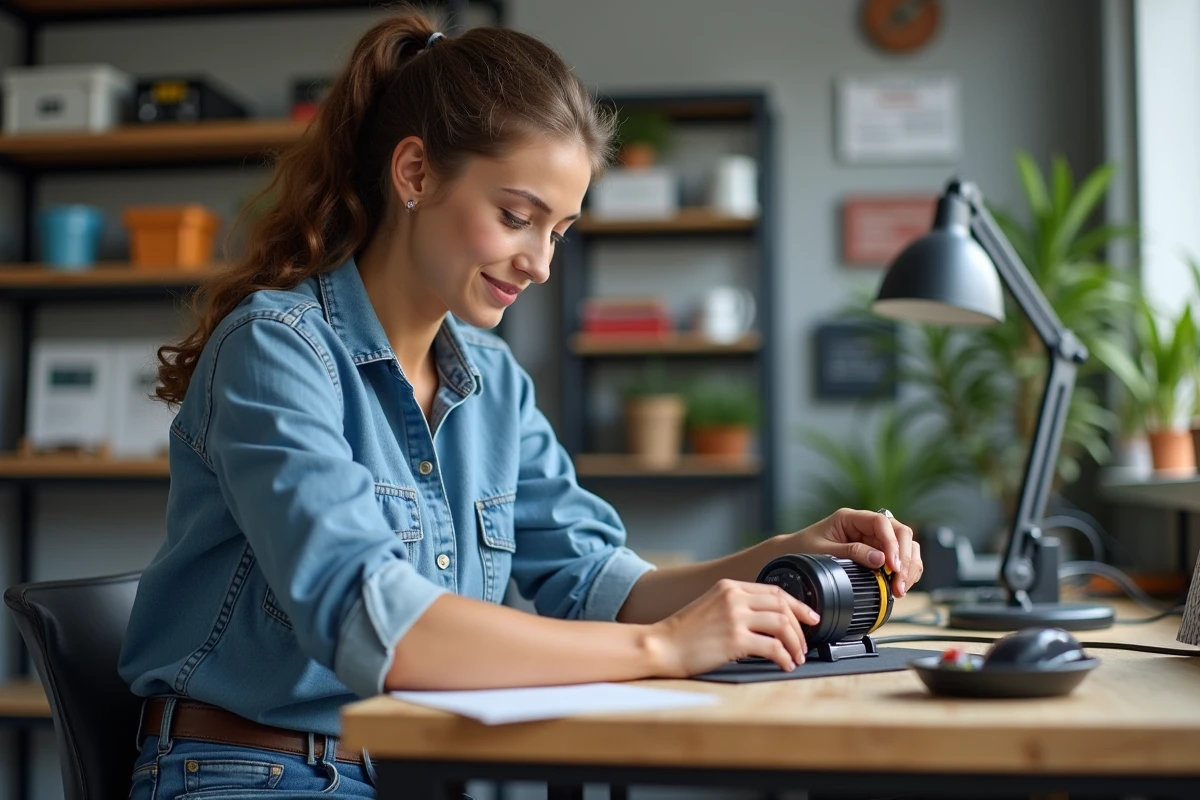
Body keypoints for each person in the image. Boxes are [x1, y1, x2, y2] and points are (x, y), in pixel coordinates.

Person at [119, 9, 924, 798]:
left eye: (560, 230)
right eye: (516, 217)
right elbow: (377, 623)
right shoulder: (278, 350)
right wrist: (661, 647)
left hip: (409, 767)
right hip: (255, 774)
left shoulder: (494, 381)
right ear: (414, 174)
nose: (539, 262)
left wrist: (787, 555)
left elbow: (598, 582)